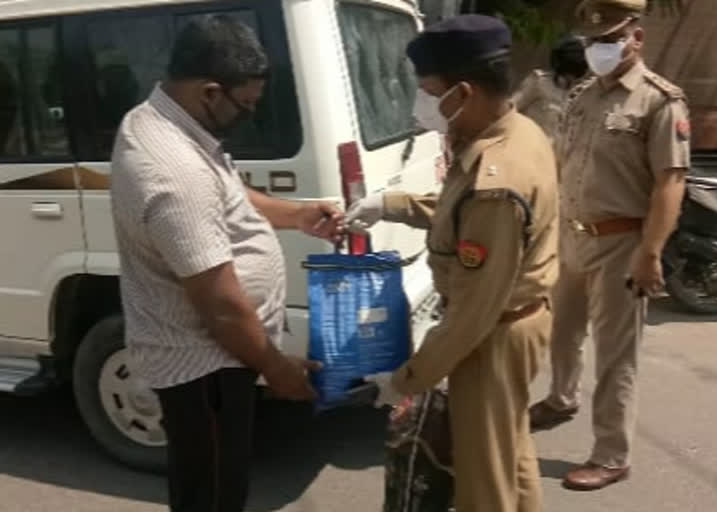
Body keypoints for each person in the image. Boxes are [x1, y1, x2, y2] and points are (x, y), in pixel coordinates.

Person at [110, 16, 343, 512]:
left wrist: (297, 215)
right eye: (247, 105)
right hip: (205, 370)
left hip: (216, 361)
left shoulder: (167, 121)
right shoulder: (173, 171)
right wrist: (277, 369)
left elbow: (228, 197)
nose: (250, 115)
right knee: (214, 495)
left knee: (209, 484)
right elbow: (221, 308)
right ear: (211, 92)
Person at [347, 15, 559, 512]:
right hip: (516, 321)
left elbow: (470, 315)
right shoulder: (517, 131)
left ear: (462, 92)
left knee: (482, 480)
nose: (420, 102)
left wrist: (406, 377)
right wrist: (393, 204)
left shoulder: (497, 181)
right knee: (510, 454)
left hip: (494, 336)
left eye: (427, 90)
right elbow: (456, 213)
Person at [528, 0, 690, 491]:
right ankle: (561, 398)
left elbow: (670, 182)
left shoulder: (660, 101)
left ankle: (611, 454)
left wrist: (651, 251)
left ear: (635, 38)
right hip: (573, 236)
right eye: (593, 42)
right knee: (561, 333)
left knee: (616, 354)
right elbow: (562, 164)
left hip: (623, 242)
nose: (600, 49)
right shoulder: (583, 95)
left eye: (610, 40)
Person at [511, 35, 589, 140]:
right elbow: (510, 110)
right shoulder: (539, 82)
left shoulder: (581, 94)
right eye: (566, 75)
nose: (570, 80)